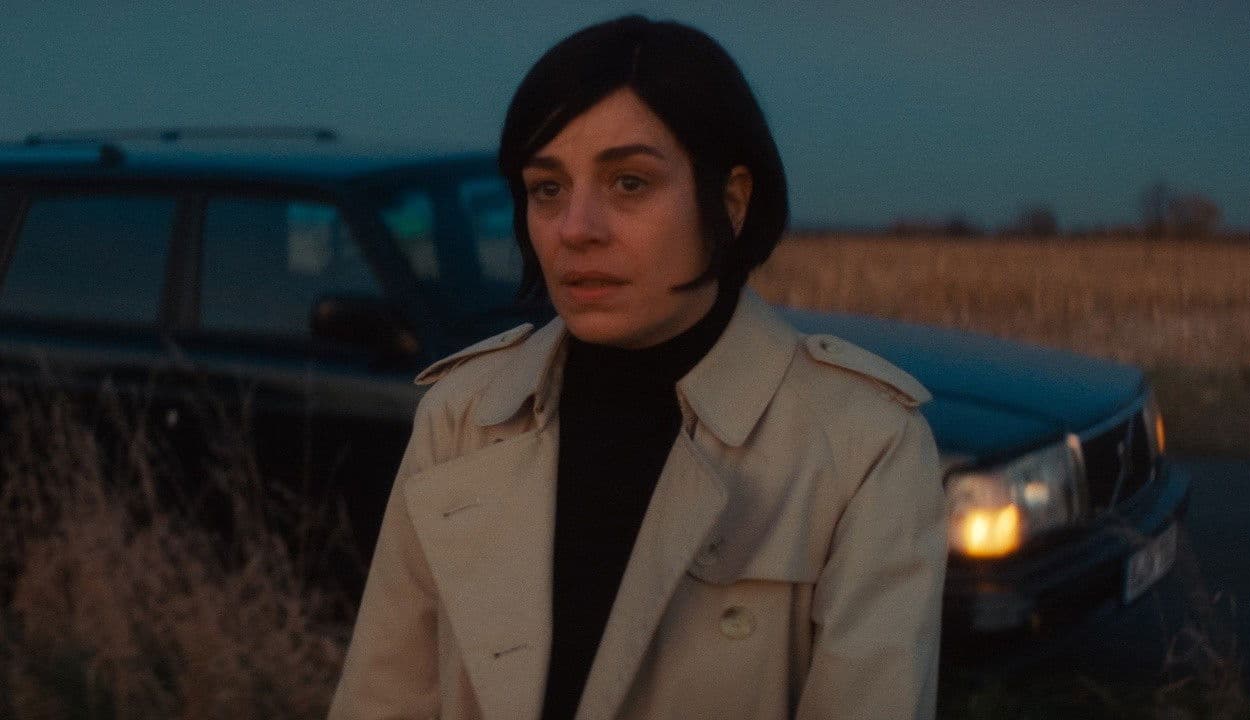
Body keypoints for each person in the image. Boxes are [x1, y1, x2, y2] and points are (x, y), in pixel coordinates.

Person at [330, 15, 946, 720]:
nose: (576, 229)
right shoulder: (464, 416)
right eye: (547, 189)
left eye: (629, 182)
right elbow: (383, 698)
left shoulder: (863, 447)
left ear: (731, 203)